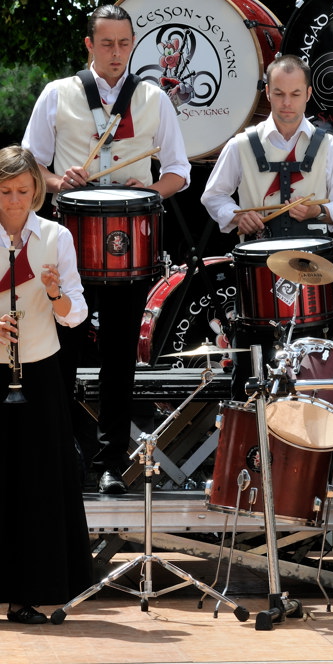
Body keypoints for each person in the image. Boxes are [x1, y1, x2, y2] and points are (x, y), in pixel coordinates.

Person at [22, 4, 191, 494]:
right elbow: (31, 167)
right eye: (107, 43)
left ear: (132, 44)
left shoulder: (154, 98)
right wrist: (59, 181)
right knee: (60, 351)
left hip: (126, 244)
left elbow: (178, 172)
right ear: (89, 45)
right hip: (68, 240)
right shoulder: (58, 93)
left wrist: (148, 192)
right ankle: (63, 455)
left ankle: (111, 461)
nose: (116, 53)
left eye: (123, 43)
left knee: (120, 357)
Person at [202, 54, 333, 397]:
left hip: (313, 268)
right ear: (268, 93)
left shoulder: (330, 147)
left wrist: (318, 211)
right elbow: (213, 197)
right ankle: (252, 420)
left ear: (308, 94)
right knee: (252, 362)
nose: (287, 103)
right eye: (279, 93)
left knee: (313, 356)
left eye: (295, 94)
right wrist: (237, 215)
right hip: (258, 268)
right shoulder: (242, 144)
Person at [0, 145, 93, 624]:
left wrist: (55, 294)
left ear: (36, 190)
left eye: (23, 190)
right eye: (5, 191)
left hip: (38, 369)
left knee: (36, 484)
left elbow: (76, 314)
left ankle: (28, 593)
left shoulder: (56, 236)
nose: (15, 201)